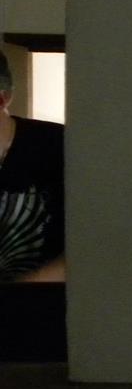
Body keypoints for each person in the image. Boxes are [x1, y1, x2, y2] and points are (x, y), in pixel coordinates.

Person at [0, 50, 65, 282]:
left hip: (45, 309)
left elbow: (97, 238)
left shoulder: (59, 147)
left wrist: (27, 287)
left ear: (3, 99)